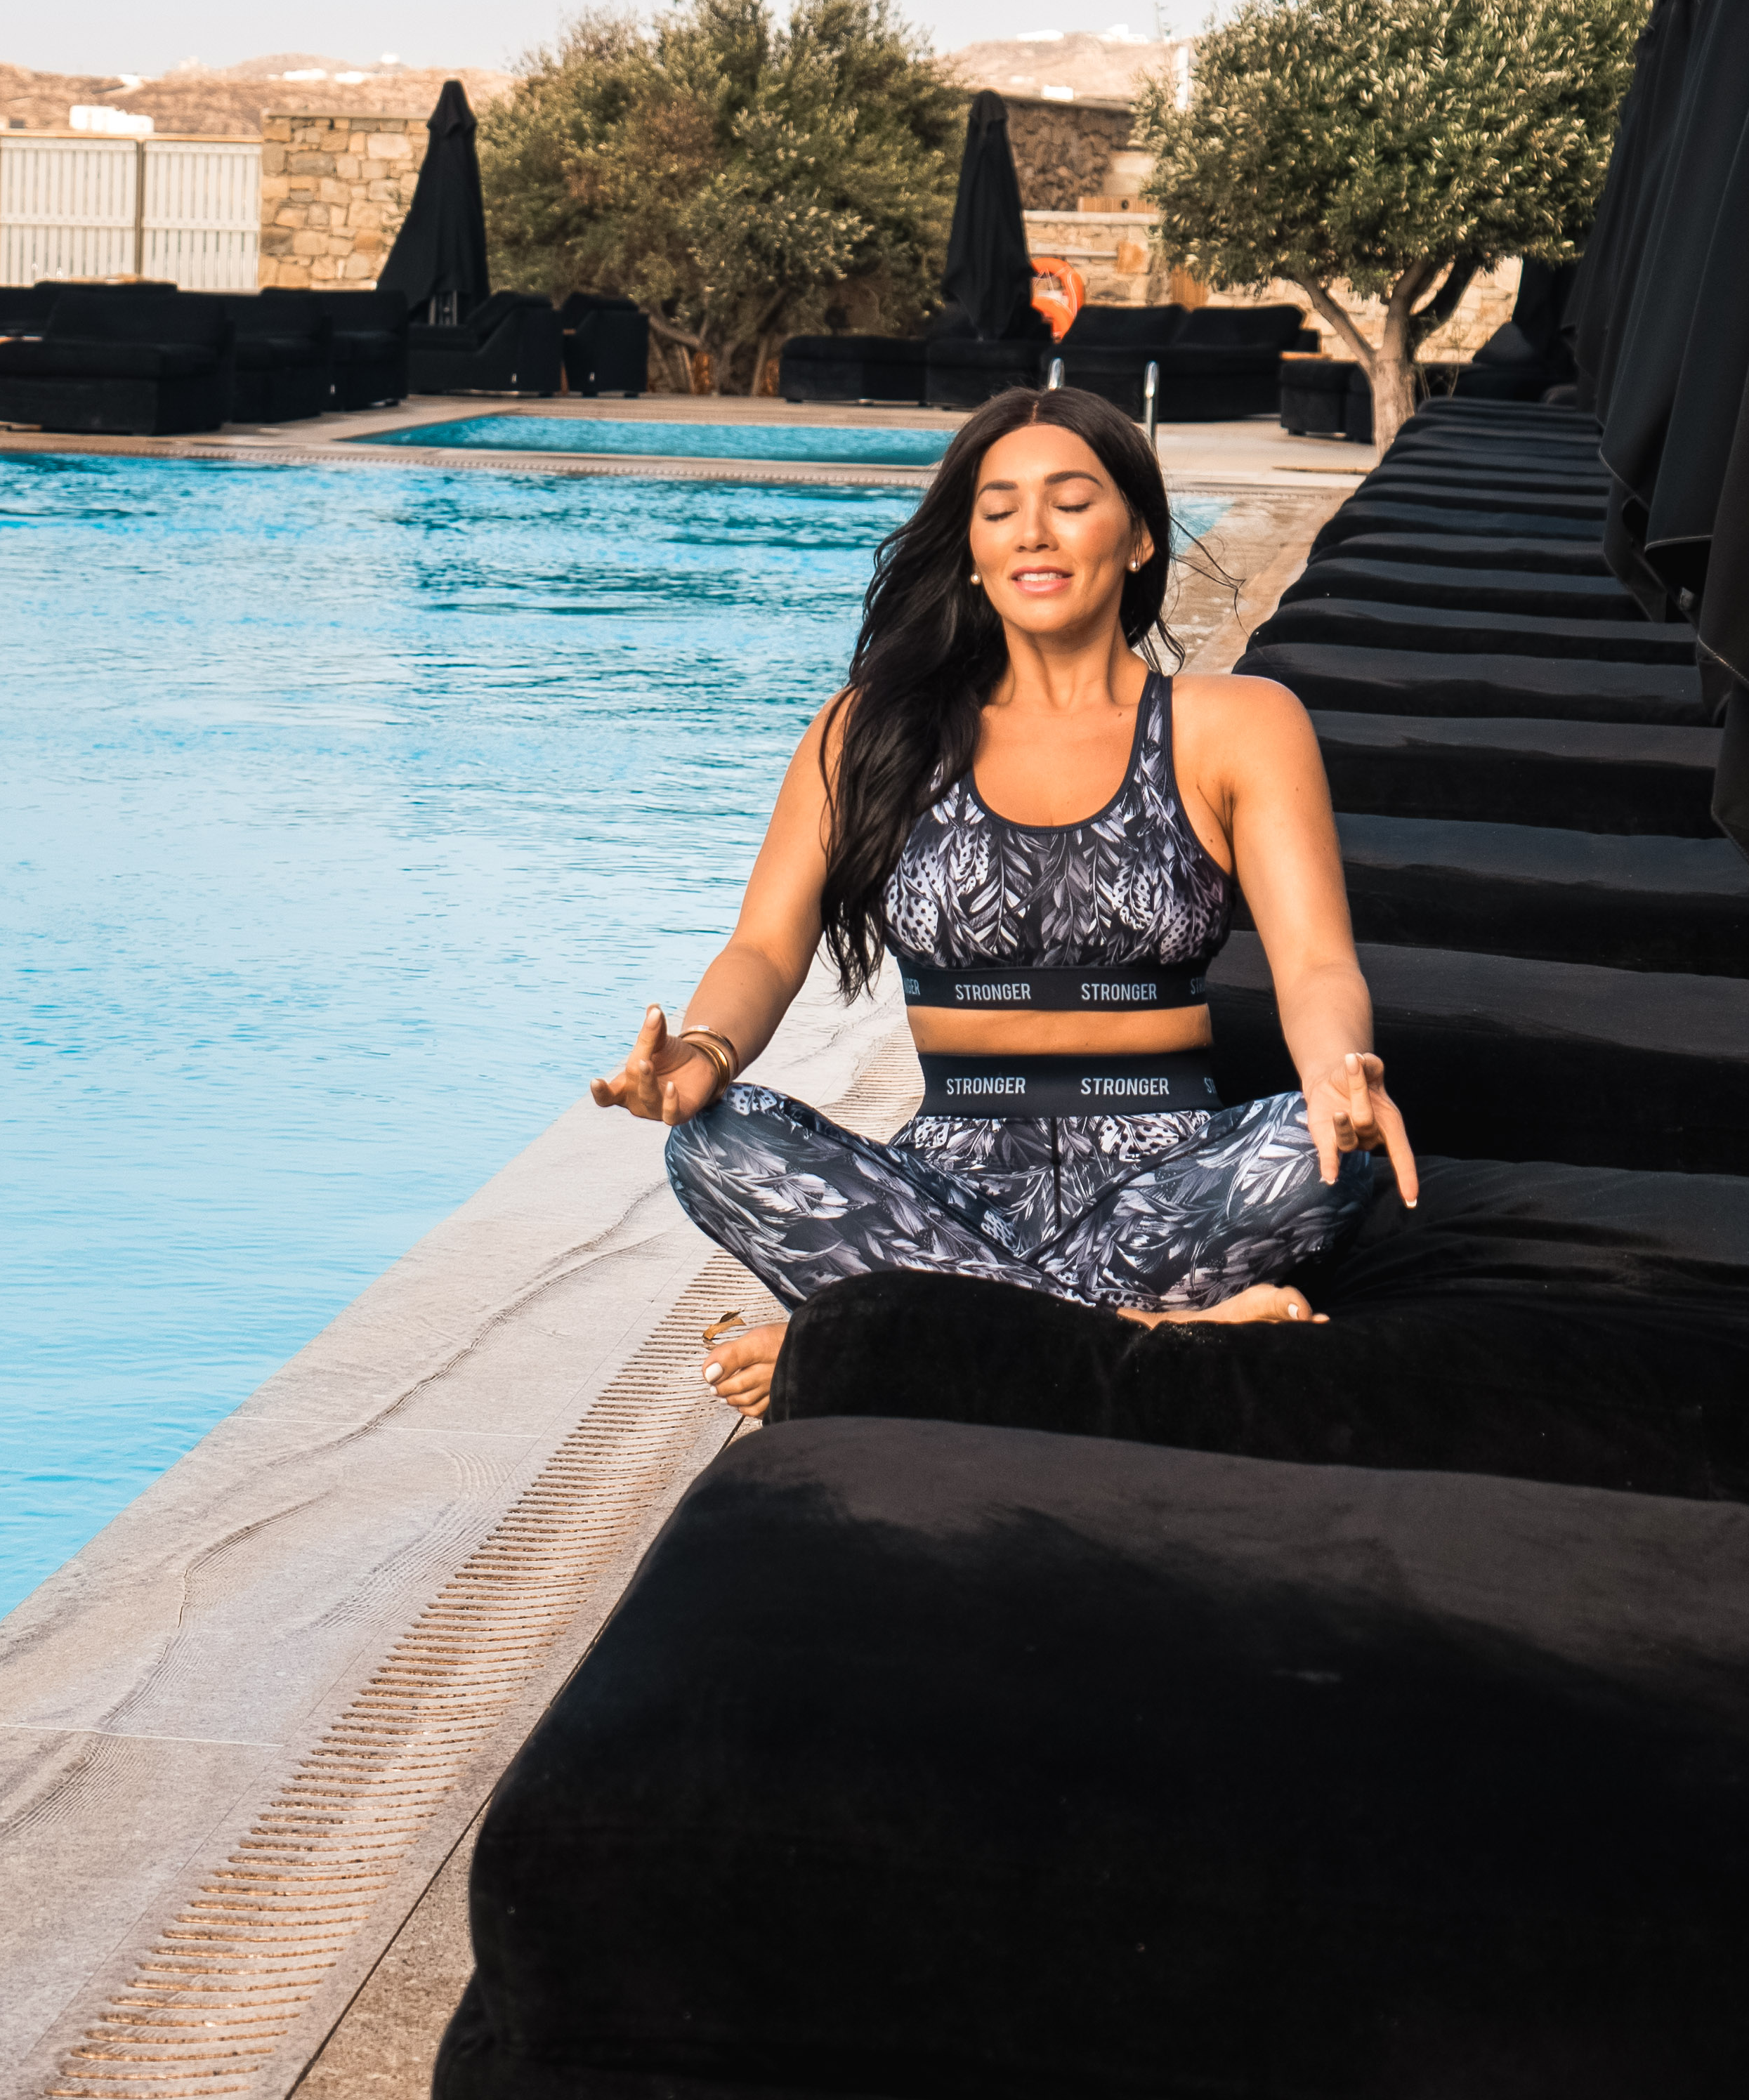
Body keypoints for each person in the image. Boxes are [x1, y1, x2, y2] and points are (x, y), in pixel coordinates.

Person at [595, 385, 1415, 1419]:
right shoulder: (868, 734)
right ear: (973, 551)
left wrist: (1343, 1074)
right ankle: (1150, 1339)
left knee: (1331, 1148)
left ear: (1142, 540)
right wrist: (703, 1055)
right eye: (999, 509)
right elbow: (764, 947)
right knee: (713, 1140)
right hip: (944, 1185)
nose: (1034, 530)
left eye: (1072, 501)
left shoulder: (1237, 724)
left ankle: (908, 1350)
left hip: (1169, 1181)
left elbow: (1315, 965)